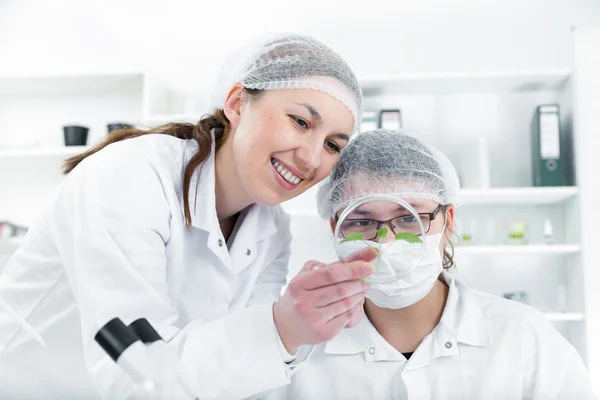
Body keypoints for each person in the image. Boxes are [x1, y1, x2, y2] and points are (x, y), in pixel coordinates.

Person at [0, 33, 377, 400]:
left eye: (332, 145)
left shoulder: (272, 228)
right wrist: (282, 327)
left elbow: (235, 377)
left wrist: (299, 328)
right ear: (237, 102)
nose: (312, 158)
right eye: (300, 121)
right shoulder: (129, 177)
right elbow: (135, 374)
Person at [264, 129, 596, 400]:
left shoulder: (525, 338)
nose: (385, 241)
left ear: (447, 220)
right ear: (335, 227)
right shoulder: (297, 351)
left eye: (409, 218)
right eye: (361, 221)